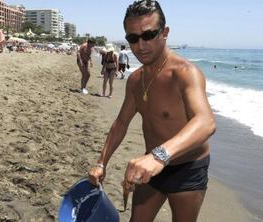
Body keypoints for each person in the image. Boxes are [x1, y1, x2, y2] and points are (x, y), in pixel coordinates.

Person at [88, 1, 216, 222]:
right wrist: (102, 162)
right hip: (151, 166)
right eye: (133, 38)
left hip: (187, 168)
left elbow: (205, 122)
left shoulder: (185, 73)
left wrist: (160, 156)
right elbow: (121, 123)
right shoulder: (136, 80)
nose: (141, 45)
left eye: (148, 35)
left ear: (164, 33)